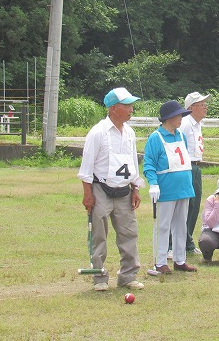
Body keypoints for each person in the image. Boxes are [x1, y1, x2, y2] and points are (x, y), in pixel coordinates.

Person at [77, 87, 145, 291]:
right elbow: (86, 166)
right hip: (100, 189)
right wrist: (87, 194)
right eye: (127, 106)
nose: (131, 109)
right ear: (114, 108)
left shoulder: (130, 133)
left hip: (124, 190)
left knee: (129, 232)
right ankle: (99, 277)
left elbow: (133, 162)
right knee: (98, 234)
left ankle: (128, 275)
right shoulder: (98, 132)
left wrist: (136, 188)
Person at [143, 100, 198, 274]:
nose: (181, 118)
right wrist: (153, 183)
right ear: (168, 118)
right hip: (166, 188)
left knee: (181, 225)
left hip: (184, 187)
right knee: (163, 226)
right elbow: (149, 163)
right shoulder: (156, 137)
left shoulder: (181, 135)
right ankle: (160, 261)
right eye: (178, 115)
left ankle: (180, 259)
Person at [168, 91, 210, 258]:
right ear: (191, 107)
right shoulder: (185, 124)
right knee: (181, 206)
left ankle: (187, 242)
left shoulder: (198, 124)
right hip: (185, 167)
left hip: (196, 166)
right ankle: (172, 244)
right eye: (201, 104)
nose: (205, 107)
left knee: (193, 206)